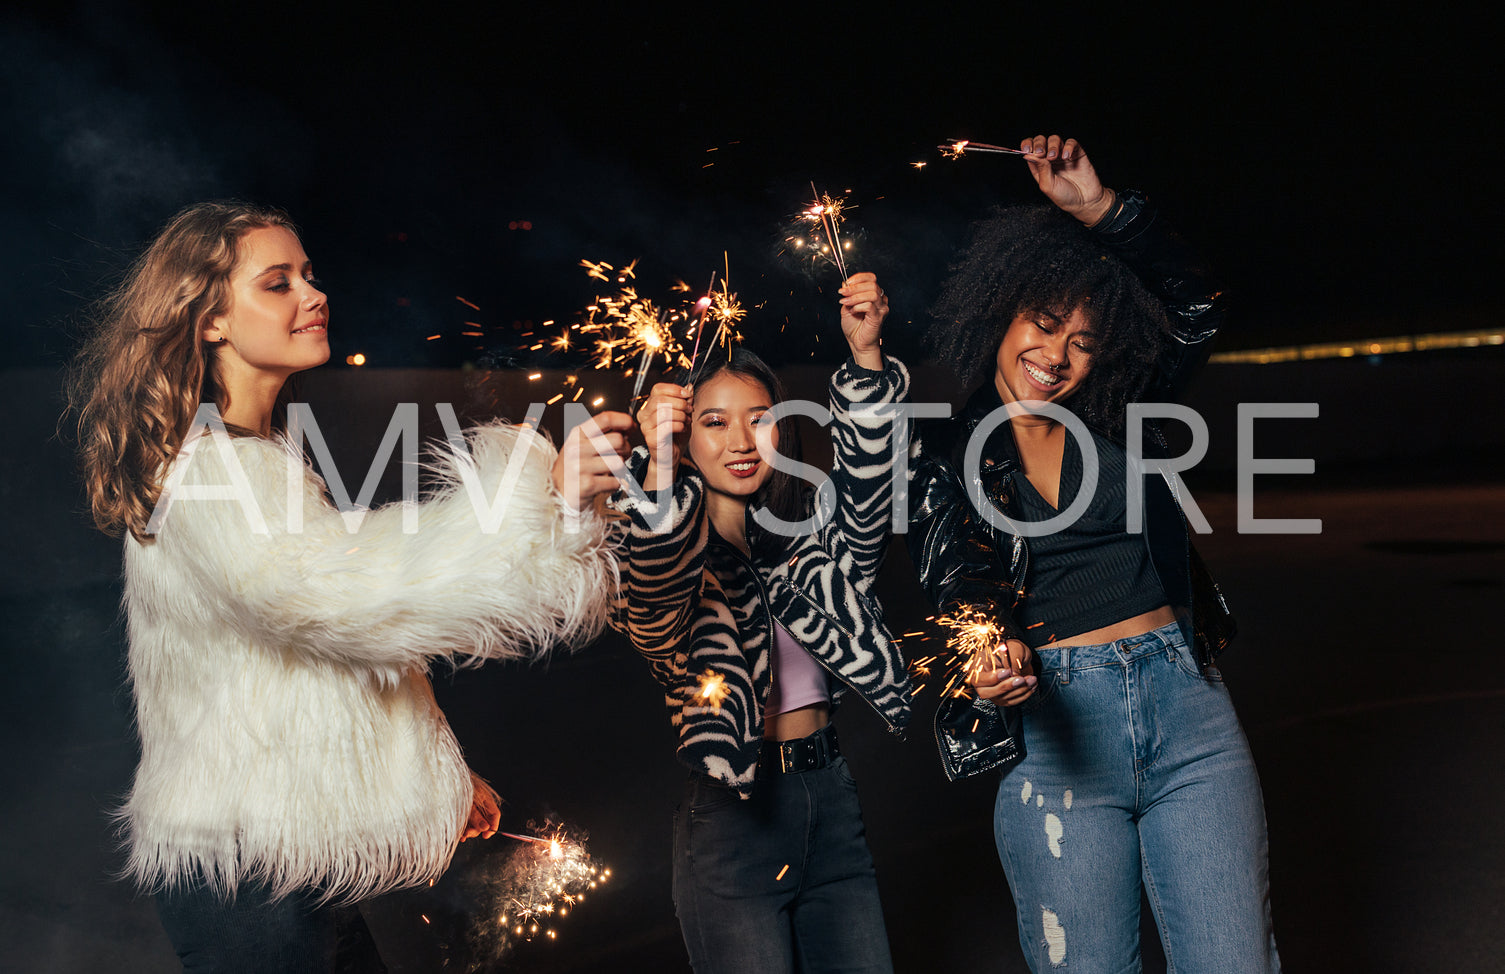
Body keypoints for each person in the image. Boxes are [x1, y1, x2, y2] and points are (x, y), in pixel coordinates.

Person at [68, 201, 631, 972]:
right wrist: (543, 502)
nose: (313, 294)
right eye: (277, 283)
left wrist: (435, 772)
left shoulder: (250, 458)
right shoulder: (211, 473)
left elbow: (316, 651)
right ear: (210, 321)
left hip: (281, 851)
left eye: (309, 275)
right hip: (246, 871)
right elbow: (349, 599)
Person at [908, 135, 1280, 971]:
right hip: (1058, 733)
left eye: (1083, 340)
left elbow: (1197, 309)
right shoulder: (946, 456)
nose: (1058, 357)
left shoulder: (1120, 409)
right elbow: (958, 578)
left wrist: (1101, 210)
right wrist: (987, 656)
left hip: (1189, 710)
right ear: (999, 311)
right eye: (1044, 326)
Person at [609, 272, 911, 974]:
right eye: (713, 422)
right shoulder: (661, 565)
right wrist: (654, 464)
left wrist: (865, 357)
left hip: (831, 805)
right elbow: (654, 588)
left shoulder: (807, 546)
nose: (742, 439)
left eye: (759, 416)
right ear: (684, 440)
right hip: (731, 821)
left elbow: (868, 501)